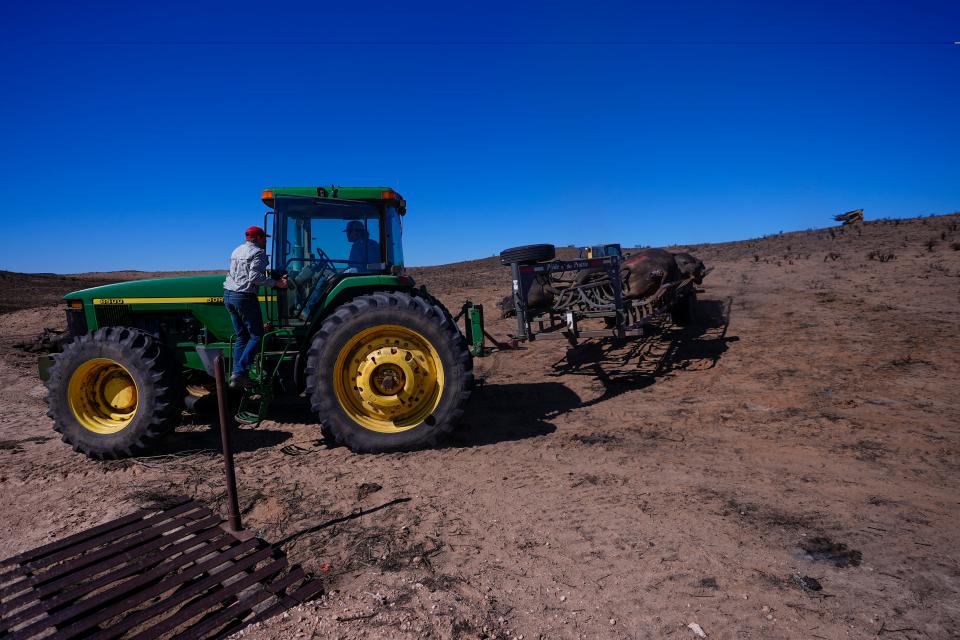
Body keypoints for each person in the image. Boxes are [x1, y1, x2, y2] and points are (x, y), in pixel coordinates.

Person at [223, 225, 288, 389]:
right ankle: (239, 372)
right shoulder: (258, 252)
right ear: (258, 238)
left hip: (229, 295)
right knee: (257, 336)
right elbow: (254, 277)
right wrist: (277, 283)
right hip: (244, 297)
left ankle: (238, 375)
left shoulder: (237, 250)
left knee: (241, 337)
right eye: (264, 238)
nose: (265, 240)